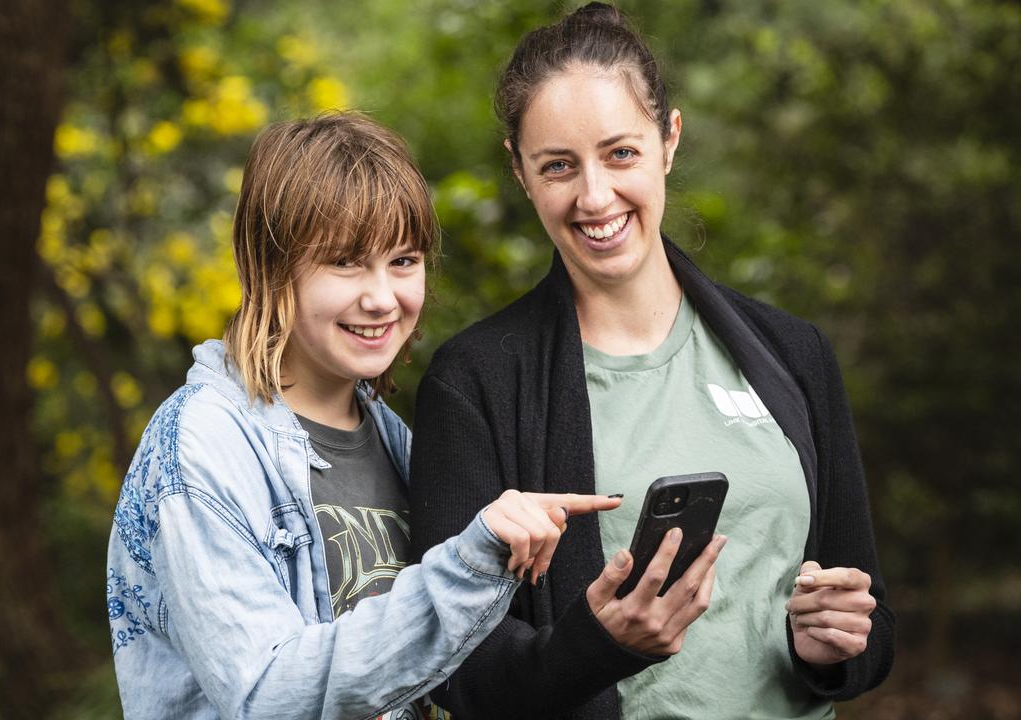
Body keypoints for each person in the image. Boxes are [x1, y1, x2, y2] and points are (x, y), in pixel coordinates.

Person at [407, 4, 896, 719]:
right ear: (519, 172)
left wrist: (832, 644)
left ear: (669, 140)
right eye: (559, 167)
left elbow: (873, 629)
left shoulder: (793, 354)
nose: (595, 195)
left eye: (621, 153)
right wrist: (596, 644)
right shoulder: (476, 380)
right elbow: (450, 670)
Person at [105, 112, 622, 720]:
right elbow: (265, 695)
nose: (382, 298)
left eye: (403, 261)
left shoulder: (391, 438)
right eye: (346, 262)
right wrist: (469, 564)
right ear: (270, 266)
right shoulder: (202, 445)